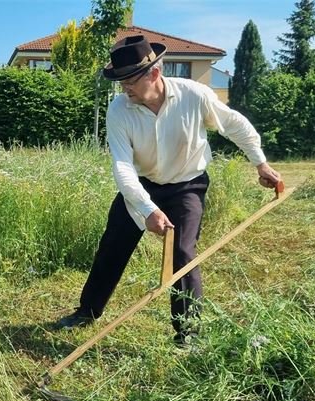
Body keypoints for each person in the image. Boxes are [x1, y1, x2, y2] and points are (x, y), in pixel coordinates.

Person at [54, 35, 281, 343]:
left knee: (183, 253)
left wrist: (261, 163)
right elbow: (122, 166)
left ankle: (188, 332)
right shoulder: (119, 110)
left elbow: (235, 125)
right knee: (113, 243)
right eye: (120, 82)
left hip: (187, 185)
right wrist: (148, 209)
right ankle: (87, 311)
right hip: (142, 186)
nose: (125, 89)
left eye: (130, 81)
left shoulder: (194, 95)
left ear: (154, 74)